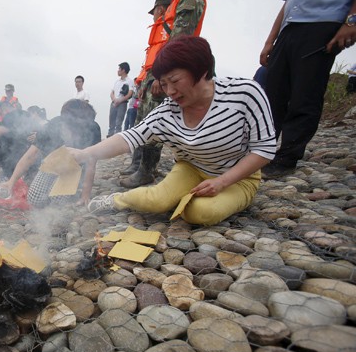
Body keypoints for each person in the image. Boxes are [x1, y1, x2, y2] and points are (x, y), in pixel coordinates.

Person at [70, 36, 276, 226]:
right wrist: (86, 153)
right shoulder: (167, 111)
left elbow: (265, 149)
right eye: (164, 84)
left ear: (201, 70)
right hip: (191, 168)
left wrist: (222, 182)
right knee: (157, 201)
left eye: (175, 81)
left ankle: (216, 199)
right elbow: (130, 137)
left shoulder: (245, 94)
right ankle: (117, 200)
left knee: (200, 212)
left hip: (238, 177)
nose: (170, 92)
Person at [260, 0, 356, 178]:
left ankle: (287, 157)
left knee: (305, 93)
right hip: (289, 29)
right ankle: (261, 151)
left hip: (322, 25)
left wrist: (351, 21)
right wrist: (270, 40)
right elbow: (287, 4)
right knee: (272, 93)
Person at [122, 0, 207, 189]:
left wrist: (161, 77)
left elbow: (178, 42)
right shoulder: (177, 4)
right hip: (154, 74)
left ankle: (146, 171)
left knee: (153, 123)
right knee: (143, 122)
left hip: (163, 73)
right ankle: (139, 165)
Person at [1, 99, 102, 208]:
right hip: (52, 165)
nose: (83, 128)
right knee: (35, 200)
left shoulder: (93, 129)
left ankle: (74, 190)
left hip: (75, 168)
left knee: (56, 202)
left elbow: (91, 163)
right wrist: (12, 181)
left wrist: (85, 195)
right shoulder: (52, 126)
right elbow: (30, 155)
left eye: (86, 124)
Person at [107, 62, 134, 137]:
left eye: (119, 69)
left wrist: (119, 100)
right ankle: (109, 136)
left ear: (123, 70)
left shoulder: (129, 81)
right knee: (111, 122)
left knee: (118, 123)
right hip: (113, 103)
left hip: (122, 104)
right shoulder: (117, 81)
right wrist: (114, 100)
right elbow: (112, 92)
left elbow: (130, 93)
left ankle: (116, 138)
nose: (118, 70)